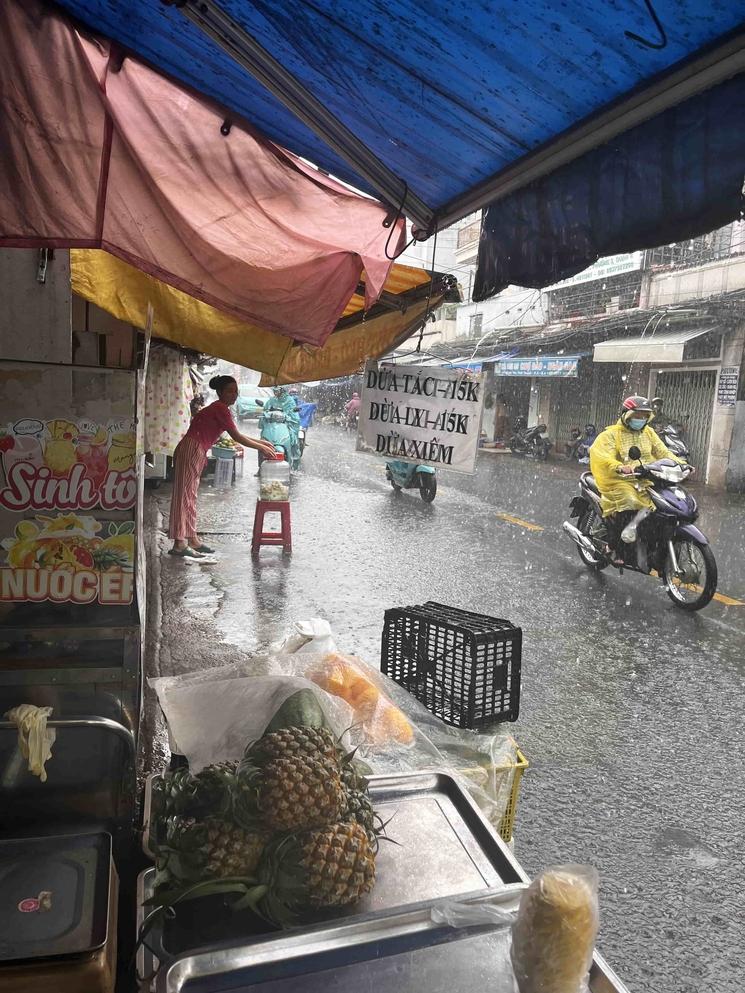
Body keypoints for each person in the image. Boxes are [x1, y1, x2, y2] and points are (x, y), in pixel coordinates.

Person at [168, 375, 275, 557]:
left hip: (194, 449)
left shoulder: (220, 409)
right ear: (219, 392)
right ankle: (179, 543)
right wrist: (262, 447)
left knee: (190, 496)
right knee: (183, 496)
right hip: (192, 448)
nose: (234, 395)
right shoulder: (219, 408)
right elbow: (237, 437)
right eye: (229, 391)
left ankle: (192, 539)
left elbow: (237, 434)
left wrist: (263, 443)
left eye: (236, 391)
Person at [589, 395, 687, 548]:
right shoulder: (611, 435)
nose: (641, 419)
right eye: (637, 415)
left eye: (644, 416)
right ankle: (615, 545)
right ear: (626, 415)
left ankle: (645, 536)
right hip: (619, 479)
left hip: (644, 476)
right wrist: (620, 466)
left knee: (661, 503)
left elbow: (663, 451)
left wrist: (681, 464)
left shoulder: (648, 432)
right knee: (630, 500)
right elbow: (603, 456)